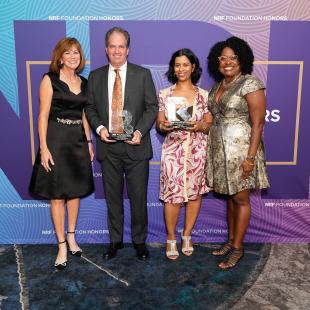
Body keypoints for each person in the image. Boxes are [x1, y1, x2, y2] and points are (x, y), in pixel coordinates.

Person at [85, 27, 158, 261]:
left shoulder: (143, 74)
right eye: (112, 46)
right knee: (112, 199)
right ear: (106, 49)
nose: (117, 50)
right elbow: (90, 108)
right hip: (109, 149)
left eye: (121, 46)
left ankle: (139, 242)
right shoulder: (95, 77)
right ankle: (114, 241)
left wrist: (139, 131)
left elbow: (152, 107)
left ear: (128, 49)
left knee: (138, 198)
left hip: (136, 147)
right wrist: (99, 129)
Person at [29, 38, 94, 270]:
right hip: (55, 141)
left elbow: (85, 115)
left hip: (77, 141)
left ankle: (72, 237)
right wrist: (43, 148)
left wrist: (88, 141)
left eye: (76, 52)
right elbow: (42, 115)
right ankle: (61, 246)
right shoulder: (49, 80)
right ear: (60, 57)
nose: (73, 56)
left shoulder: (84, 83)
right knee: (57, 195)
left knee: (75, 192)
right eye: (68, 53)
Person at [206, 36, 270, 269]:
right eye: (223, 58)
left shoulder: (250, 83)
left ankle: (238, 248)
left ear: (242, 60)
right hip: (221, 153)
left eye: (233, 58)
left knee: (241, 199)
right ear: (217, 62)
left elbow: (258, 124)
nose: (227, 62)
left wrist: (250, 158)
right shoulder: (219, 85)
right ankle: (231, 241)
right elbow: (212, 118)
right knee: (231, 199)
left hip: (242, 152)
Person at [157, 49, 212, 260]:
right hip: (173, 152)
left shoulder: (204, 95)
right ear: (173, 68)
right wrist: (165, 125)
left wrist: (200, 125)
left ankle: (187, 235)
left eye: (185, 65)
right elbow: (159, 124)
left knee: (195, 195)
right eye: (177, 65)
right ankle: (171, 238)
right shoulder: (165, 94)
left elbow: (209, 124)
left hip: (197, 152)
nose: (181, 69)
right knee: (172, 197)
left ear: (193, 67)